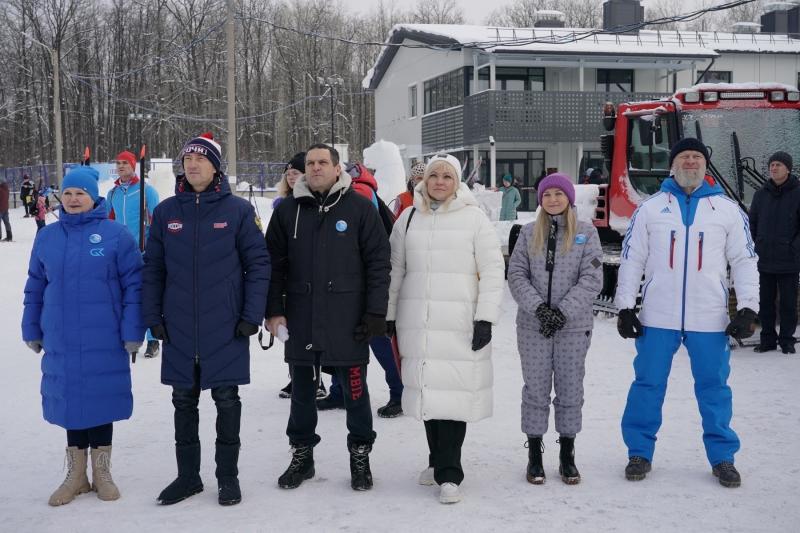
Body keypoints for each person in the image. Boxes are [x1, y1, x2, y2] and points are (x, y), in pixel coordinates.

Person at [615, 138, 759, 488]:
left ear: (705, 165)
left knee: (714, 388)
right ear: (673, 164)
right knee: (647, 384)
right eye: (684, 157)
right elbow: (632, 259)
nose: (690, 162)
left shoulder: (726, 210)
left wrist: (749, 307)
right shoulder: (650, 208)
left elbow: (744, 260)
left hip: (708, 316)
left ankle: (723, 457)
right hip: (658, 315)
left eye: (696, 157)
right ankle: (639, 451)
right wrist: (624, 306)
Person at [142, 132, 270, 506]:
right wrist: (154, 316)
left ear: (216, 166)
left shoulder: (238, 211)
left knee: (227, 400)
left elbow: (258, 265)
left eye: (200, 159)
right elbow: (153, 269)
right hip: (179, 326)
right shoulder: (167, 212)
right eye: (187, 160)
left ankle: (227, 477)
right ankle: (188, 477)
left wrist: (251, 315)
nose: (192, 165)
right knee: (184, 401)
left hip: (226, 325)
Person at [264, 143, 390, 492]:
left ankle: (360, 453)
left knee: (355, 391)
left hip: (347, 319)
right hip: (301, 317)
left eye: (323, 162)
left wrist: (376, 311)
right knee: (303, 393)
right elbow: (272, 265)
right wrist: (273, 311)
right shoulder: (288, 211)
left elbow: (379, 263)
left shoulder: (361, 209)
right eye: (310, 163)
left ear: (338, 169)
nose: (316, 167)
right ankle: (302, 455)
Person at [22, 166, 145, 506]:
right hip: (61, 336)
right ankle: (76, 475)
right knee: (71, 400)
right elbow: (35, 285)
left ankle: (102, 472)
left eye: (81, 194)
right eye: (69, 193)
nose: (74, 199)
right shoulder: (48, 237)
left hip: (104, 335)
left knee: (100, 397)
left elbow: (135, 287)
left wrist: (135, 331)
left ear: (94, 199)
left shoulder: (116, 235)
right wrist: (31, 327)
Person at [387, 153, 505, 504]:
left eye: (447, 176)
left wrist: (485, 317)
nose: (439, 181)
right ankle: (436, 460)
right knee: (428, 394)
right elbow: (396, 269)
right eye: (434, 175)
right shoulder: (407, 219)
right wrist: (390, 314)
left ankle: (450, 473)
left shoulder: (474, 219)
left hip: (458, 323)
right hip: (418, 322)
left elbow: (493, 270)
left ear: (457, 183)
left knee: (453, 395)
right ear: (424, 181)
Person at [507, 173, 602, 485]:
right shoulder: (528, 232)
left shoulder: (586, 234)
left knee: (570, 389)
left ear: (569, 199)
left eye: (559, 194)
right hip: (533, 326)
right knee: (535, 389)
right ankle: (535, 454)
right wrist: (539, 309)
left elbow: (591, 280)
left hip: (573, 328)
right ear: (540, 200)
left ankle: (567, 454)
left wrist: (561, 312)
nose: (553, 200)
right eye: (547, 195)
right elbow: (517, 274)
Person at [316, 162, 404, 418]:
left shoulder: (359, 193)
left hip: (362, 283)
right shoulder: (349, 191)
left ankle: (399, 392)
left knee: (376, 338)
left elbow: (364, 242)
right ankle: (339, 390)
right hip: (345, 282)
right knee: (340, 337)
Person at [273, 152, 327, 400]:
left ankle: (318, 380)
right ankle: (296, 377)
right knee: (292, 335)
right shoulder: (283, 204)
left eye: (296, 172)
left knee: (315, 333)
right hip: (290, 282)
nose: (292, 176)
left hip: (315, 282)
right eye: (289, 173)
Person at [107, 150, 161, 358]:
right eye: (118, 163)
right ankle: (130, 336)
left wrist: (154, 247)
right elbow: (108, 222)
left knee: (144, 296)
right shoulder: (112, 194)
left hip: (143, 251)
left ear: (133, 166)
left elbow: (157, 222)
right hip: (120, 253)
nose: (121, 166)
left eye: (125, 163)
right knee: (123, 296)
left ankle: (152, 339)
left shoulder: (146, 191)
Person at [748, 151, 800, 354]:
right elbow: (751, 223)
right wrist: (755, 245)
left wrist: (793, 247)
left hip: (789, 260)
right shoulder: (761, 194)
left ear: (788, 168)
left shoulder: (798, 193)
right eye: (771, 165)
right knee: (765, 303)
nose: (774, 168)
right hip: (764, 259)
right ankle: (768, 339)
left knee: (788, 304)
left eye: (778, 164)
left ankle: (787, 340)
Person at [0, 176, 11, 241]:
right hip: (5, 208)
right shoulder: (6, 189)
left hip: (0, 209)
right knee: (7, 222)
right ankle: (9, 236)